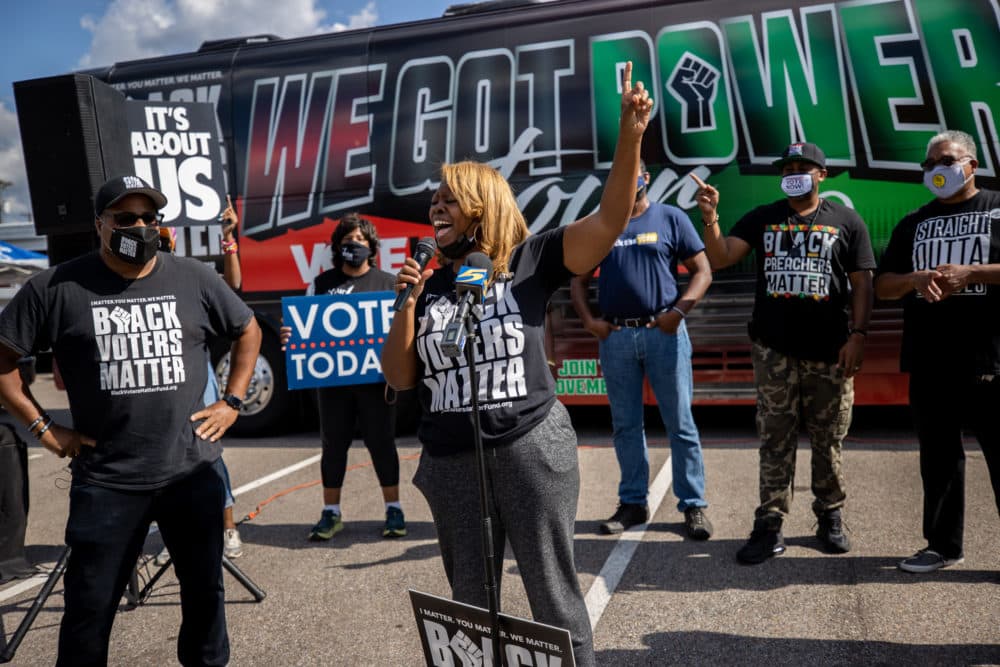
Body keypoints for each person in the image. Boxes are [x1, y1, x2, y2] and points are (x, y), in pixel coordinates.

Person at [381, 61, 652, 667]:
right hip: (451, 459)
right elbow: (400, 378)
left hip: (530, 448)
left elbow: (610, 221)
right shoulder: (430, 280)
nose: (436, 206)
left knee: (552, 598)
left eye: (450, 197)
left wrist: (630, 139)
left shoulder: (532, 260)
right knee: (470, 609)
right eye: (435, 199)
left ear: (481, 205)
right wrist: (409, 298)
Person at [0, 175, 262, 665]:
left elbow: (247, 328)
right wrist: (45, 429)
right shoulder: (54, 287)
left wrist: (232, 400)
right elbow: (3, 362)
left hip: (191, 474)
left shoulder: (194, 276)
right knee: (89, 610)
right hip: (107, 483)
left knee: (206, 601)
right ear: (100, 224)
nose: (140, 226)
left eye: (149, 217)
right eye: (126, 218)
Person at [693, 142, 875, 564]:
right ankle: (769, 525)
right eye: (788, 167)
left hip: (830, 353)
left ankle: (830, 515)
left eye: (804, 167)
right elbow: (720, 257)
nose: (795, 172)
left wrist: (859, 335)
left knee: (829, 440)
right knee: (775, 440)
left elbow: (863, 282)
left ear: (822, 174)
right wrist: (710, 216)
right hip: (775, 353)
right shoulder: (764, 217)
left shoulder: (846, 221)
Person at [874, 129, 1000, 573]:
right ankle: (942, 546)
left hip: (991, 361)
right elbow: (882, 286)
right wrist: (912, 280)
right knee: (939, 461)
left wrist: (973, 273)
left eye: (945, 160)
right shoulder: (914, 222)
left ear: (971, 164)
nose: (936, 170)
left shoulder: (996, 208)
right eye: (928, 165)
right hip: (930, 362)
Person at [570, 160, 714, 538]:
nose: (628, 178)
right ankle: (633, 503)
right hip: (616, 338)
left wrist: (679, 312)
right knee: (626, 426)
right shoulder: (601, 225)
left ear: (646, 178)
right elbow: (577, 280)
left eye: (635, 171)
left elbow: (703, 271)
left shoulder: (670, 218)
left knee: (680, 423)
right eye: (621, 172)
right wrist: (589, 321)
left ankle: (694, 506)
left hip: (663, 333)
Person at [280, 213, 406, 540]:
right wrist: (290, 338)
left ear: (372, 246)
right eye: (348, 240)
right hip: (333, 385)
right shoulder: (322, 285)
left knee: (382, 444)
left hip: (376, 384)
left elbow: (401, 332)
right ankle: (331, 513)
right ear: (337, 246)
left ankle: (394, 510)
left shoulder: (387, 283)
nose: (354, 245)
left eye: (361, 240)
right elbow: (303, 331)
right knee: (333, 445)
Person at [154, 194, 246, 562]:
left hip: (196, 380)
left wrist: (228, 236)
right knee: (162, 458)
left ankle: (227, 528)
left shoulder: (191, 274)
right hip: (154, 384)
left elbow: (234, 285)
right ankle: (171, 538)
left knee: (206, 452)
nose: (157, 245)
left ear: (172, 240)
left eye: (162, 238)